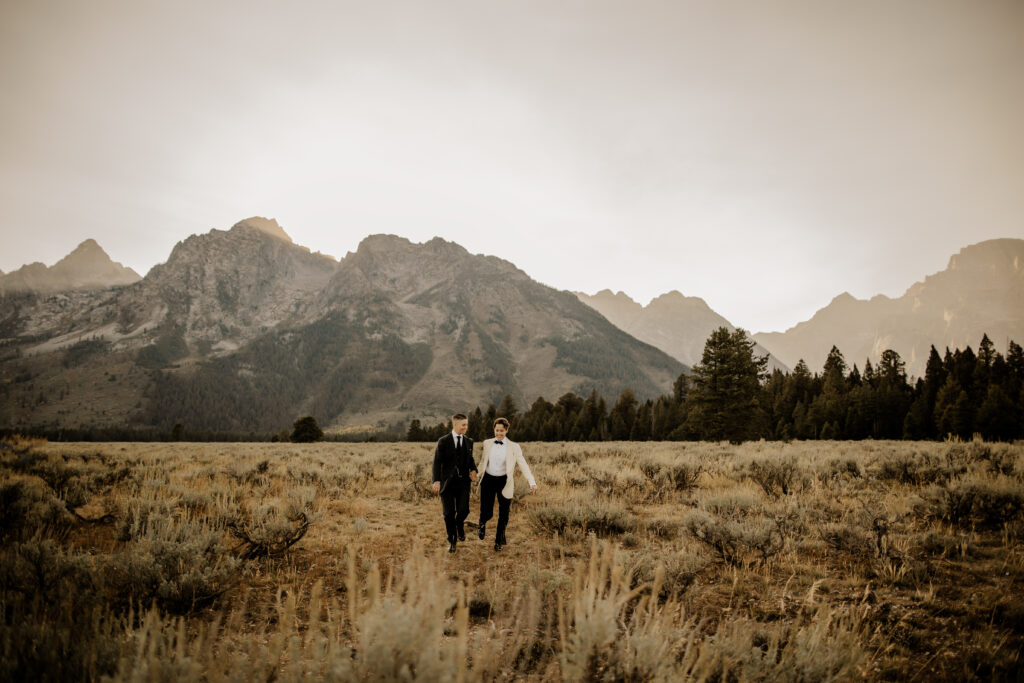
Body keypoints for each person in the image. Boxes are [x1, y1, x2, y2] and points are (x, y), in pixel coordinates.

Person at [476, 417, 536, 551]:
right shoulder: (487, 443)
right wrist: (476, 475)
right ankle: (482, 523)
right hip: (488, 480)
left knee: (504, 514)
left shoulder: (514, 447)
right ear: (494, 429)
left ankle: (498, 541)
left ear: (507, 430)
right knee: (487, 511)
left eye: (501, 431)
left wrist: (531, 481)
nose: (499, 433)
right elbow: (482, 462)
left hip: (505, 482)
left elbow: (523, 464)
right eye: (497, 430)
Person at [432, 413, 478, 553]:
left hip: (463, 483)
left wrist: (474, 470)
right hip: (447, 484)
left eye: (466, 424)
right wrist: (436, 480)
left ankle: (459, 526)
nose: (466, 427)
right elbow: (437, 462)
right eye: (463, 425)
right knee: (448, 514)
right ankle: (452, 541)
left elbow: (470, 460)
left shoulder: (469, 442)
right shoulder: (443, 441)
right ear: (455, 425)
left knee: (464, 510)